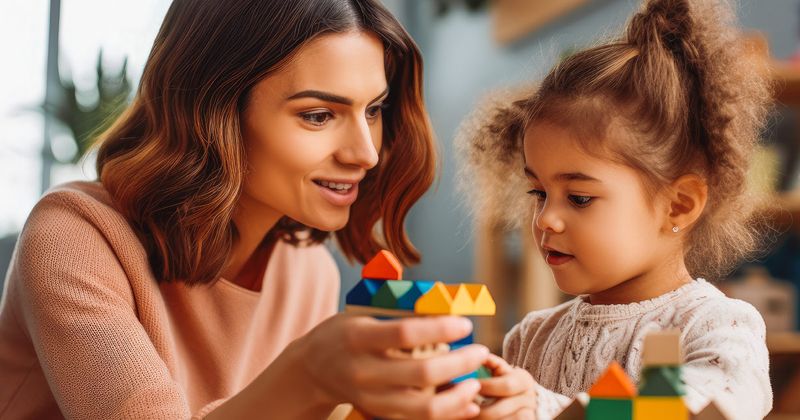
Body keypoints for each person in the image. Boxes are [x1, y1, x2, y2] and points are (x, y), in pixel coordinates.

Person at [0, 1, 492, 418]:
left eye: (374, 110)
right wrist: (307, 378)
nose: (365, 152)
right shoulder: (74, 237)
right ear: (214, 111)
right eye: (319, 116)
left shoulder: (308, 272)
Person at [458, 0, 773, 418]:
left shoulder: (717, 327)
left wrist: (545, 408)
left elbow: (695, 409)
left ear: (677, 205)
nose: (545, 219)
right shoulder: (531, 337)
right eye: (538, 192)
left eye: (579, 198)